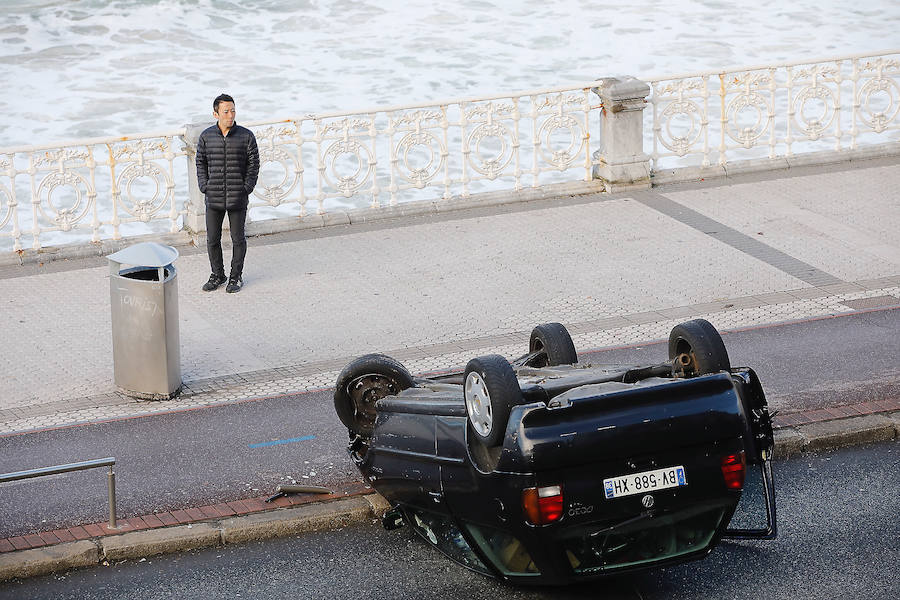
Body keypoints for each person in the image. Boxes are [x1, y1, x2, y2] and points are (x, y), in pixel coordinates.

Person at [196, 93, 259, 293]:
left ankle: (235, 277)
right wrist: (204, 185)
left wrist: (246, 187)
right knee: (212, 240)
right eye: (226, 111)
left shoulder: (246, 135)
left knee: (238, 239)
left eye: (233, 110)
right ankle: (218, 275)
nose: (230, 115)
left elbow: (254, 163)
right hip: (213, 196)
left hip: (237, 196)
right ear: (216, 114)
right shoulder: (206, 136)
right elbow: (200, 162)